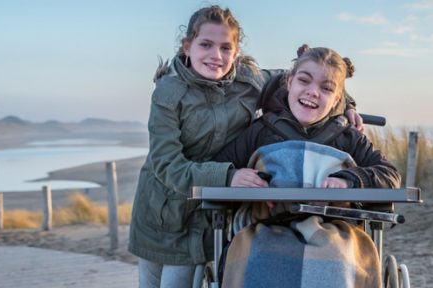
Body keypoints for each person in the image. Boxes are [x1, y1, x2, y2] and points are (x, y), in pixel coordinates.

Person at [127, 6, 363, 287]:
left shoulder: (250, 80)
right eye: (206, 45)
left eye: (226, 48)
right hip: (163, 210)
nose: (216, 56)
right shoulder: (168, 93)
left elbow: (313, 74)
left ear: (236, 53)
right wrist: (228, 177)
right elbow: (167, 164)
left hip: (207, 213)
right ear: (187, 47)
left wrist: (346, 104)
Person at [211, 45, 401, 287]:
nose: (313, 92)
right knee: (258, 258)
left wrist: (349, 179)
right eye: (304, 81)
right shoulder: (262, 130)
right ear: (289, 82)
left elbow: (390, 175)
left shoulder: (348, 138)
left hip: (334, 232)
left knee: (340, 263)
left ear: (337, 100)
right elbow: (217, 166)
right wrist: (233, 175)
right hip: (266, 228)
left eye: (326, 88)